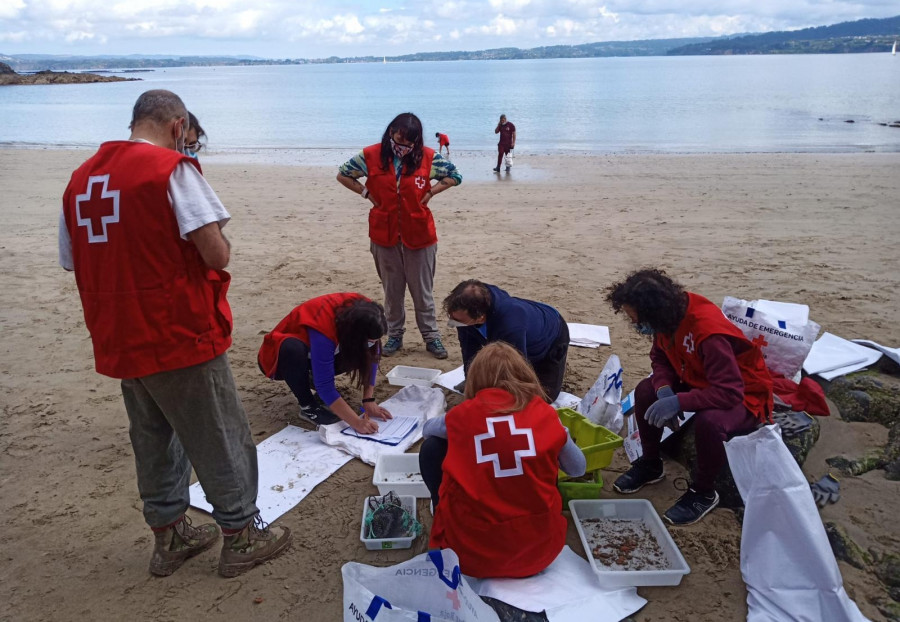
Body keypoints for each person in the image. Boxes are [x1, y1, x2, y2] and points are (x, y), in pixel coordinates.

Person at [58, 89, 291, 579]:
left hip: (117, 332)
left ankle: (170, 535)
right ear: (178, 126)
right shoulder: (170, 171)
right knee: (219, 431)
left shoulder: (80, 180)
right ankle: (242, 532)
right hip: (175, 328)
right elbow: (215, 253)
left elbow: (71, 258)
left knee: (152, 434)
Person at [606, 269, 774, 526]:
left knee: (710, 421)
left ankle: (704, 492)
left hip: (744, 393)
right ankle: (651, 463)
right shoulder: (667, 318)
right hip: (696, 377)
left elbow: (729, 391)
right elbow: (660, 358)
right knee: (645, 391)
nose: (635, 325)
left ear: (653, 312)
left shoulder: (708, 333)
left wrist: (679, 402)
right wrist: (664, 390)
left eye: (634, 318)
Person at [419, 342, 586, 578]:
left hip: (469, 555)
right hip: (539, 553)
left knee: (432, 448)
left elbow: (427, 430)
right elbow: (578, 468)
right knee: (549, 460)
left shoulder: (461, 416)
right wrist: (561, 434)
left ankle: (441, 510)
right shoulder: (547, 415)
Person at [336, 112, 462, 359]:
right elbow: (343, 174)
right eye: (399, 140)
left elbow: (455, 176)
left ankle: (431, 337)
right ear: (391, 133)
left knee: (422, 292)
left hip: (420, 235)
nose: (402, 146)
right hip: (384, 236)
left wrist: (432, 192)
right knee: (392, 292)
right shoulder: (370, 156)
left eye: (408, 143)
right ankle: (394, 335)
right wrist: (366, 194)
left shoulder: (427, 157)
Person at [257, 293, 392, 434]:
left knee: (365, 347)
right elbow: (325, 385)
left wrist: (368, 399)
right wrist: (356, 422)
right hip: (278, 359)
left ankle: (310, 377)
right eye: (368, 340)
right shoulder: (324, 330)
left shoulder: (370, 313)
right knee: (292, 350)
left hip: (318, 350)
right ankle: (307, 405)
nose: (372, 344)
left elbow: (372, 354)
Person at [443, 280, 570, 402]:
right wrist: (471, 380)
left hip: (551, 337)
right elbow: (469, 349)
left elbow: (516, 367)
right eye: (452, 317)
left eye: (458, 320)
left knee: (541, 397)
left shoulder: (510, 326)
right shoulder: (468, 306)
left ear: (480, 318)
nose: (453, 321)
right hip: (516, 327)